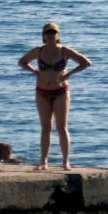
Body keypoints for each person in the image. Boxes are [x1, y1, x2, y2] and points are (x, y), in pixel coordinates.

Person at [17, 21, 92, 170]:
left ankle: (65, 162)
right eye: (48, 32)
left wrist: (69, 74)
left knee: (62, 127)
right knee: (46, 127)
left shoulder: (65, 51)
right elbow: (22, 62)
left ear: (58, 35)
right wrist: (35, 72)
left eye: (53, 32)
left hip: (61, 92)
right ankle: (44, 162)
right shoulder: (39, 51)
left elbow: (86, 63)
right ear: (43, 36)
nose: (50, 35)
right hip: (42, 92)